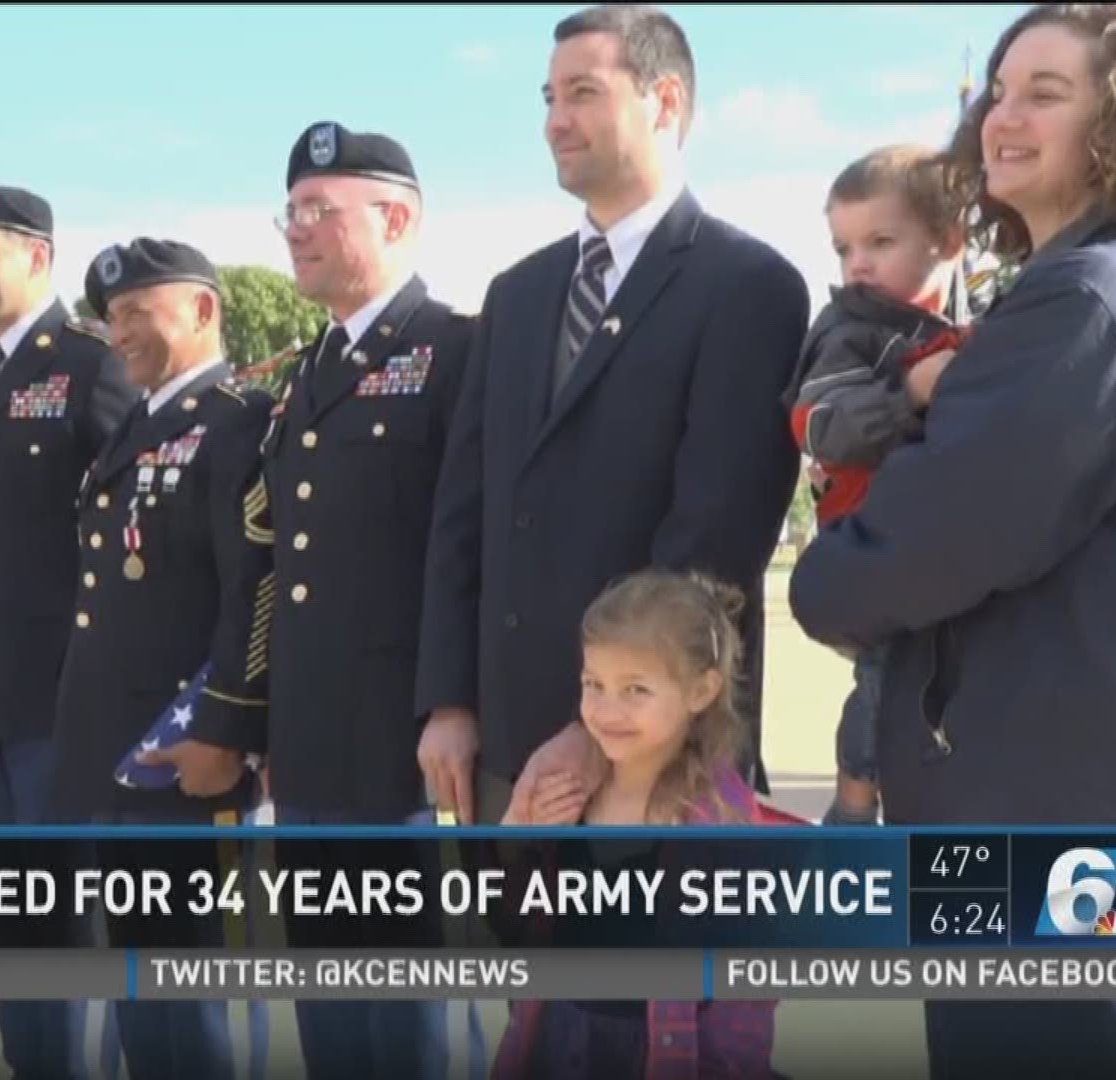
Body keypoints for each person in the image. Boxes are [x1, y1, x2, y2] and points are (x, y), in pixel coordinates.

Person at [788, 4, 1116, 1075]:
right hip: (1037, 798)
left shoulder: (1090, 304)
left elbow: (923, 547)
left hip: (1057, 815)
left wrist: (819, 578)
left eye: (1047, 92)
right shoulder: (1080, 289)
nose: (1002, 117)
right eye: (999, 90)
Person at [415, 3, 809, 825]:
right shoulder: (516, 295)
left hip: (660, 771)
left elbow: (713, 542)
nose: (556, 121)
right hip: (510, 758)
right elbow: (466, 515)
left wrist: (596, 731)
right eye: (548, 98)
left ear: (664, 103)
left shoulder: (749, 287)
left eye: (583, 93)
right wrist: (448, 702)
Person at [234, 119, 472, 1079]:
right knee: (328, 1001)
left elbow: (469, 546)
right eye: (290, 211)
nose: (296, 229)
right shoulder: (306, 373)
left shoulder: (456, 348)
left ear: (397, 216)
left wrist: (453, 702)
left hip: (403, 746)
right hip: (307, 744)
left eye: (320, 211)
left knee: (408, 1007)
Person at [46, 238, 271, 1080]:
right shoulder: (135, 427)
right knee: (141, 979)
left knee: (189, 981)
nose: (121, 331)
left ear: (204, 310)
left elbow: (252, 587)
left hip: (185, 755)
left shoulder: (236, 423)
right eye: (113, 316)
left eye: (142, 310)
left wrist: (227, 728)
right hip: (115, 751)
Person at [0, 180, 132, 1080]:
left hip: (61, 693)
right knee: (8, 913)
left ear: (38, 257)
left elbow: (137, 522)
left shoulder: (93, 361)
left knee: (70, 917)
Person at [494, 569, 778, 1079]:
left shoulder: (722, 823)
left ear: (701, 691)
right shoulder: (570, 793)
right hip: (555, 1045)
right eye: (593, 684)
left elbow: (746, 997)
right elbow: (508, 921)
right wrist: (515, 834)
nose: (606, 710)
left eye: (635, 690)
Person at [785, 145, 970, 827]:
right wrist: (909, 391)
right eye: (844, 247)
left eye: (880, 242)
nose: (857, 263)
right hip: (869, 542)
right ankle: (852, 806)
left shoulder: (951, 330)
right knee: (884, 680)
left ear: (947, 240)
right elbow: (821, 424)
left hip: (925, 542)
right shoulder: (849, 332)